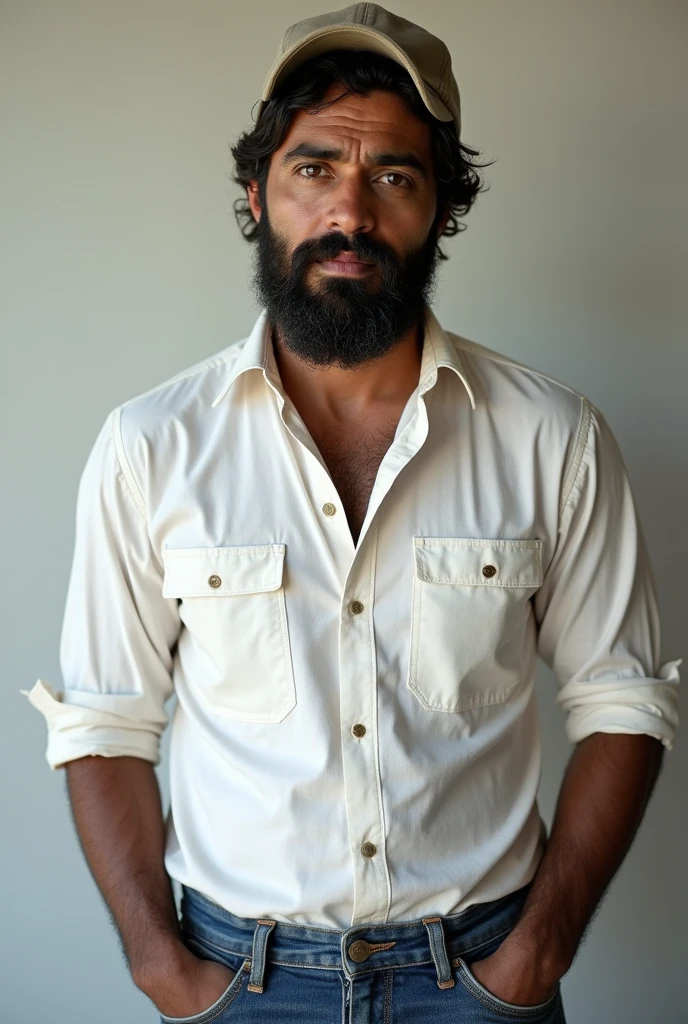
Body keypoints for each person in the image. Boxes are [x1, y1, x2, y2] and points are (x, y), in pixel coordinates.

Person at [22, 5, 681, 1022]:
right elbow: (108, 724)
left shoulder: (553, 437)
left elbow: (623, 699)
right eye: (314, 167)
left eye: (395, 177)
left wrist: (537, 952)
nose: (350, 214)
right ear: (256, 194)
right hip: (237, 981)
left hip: (482, 977)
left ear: (444, 210)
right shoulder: (151, 446)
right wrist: (163, 967)